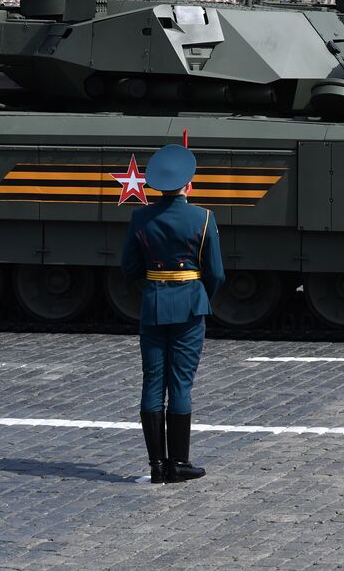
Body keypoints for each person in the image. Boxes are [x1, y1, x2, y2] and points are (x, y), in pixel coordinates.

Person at [121, 143, 225, 484]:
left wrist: (153, 289)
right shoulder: (203, 218)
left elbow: (129, 268)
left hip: (153, 304)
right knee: (180, 383)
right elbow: (217, 273)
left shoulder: (140, 217)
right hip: (191, 305)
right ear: (188, 185)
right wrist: (199, 298)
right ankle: (179, 463)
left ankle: (157, 466)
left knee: (153, 381)